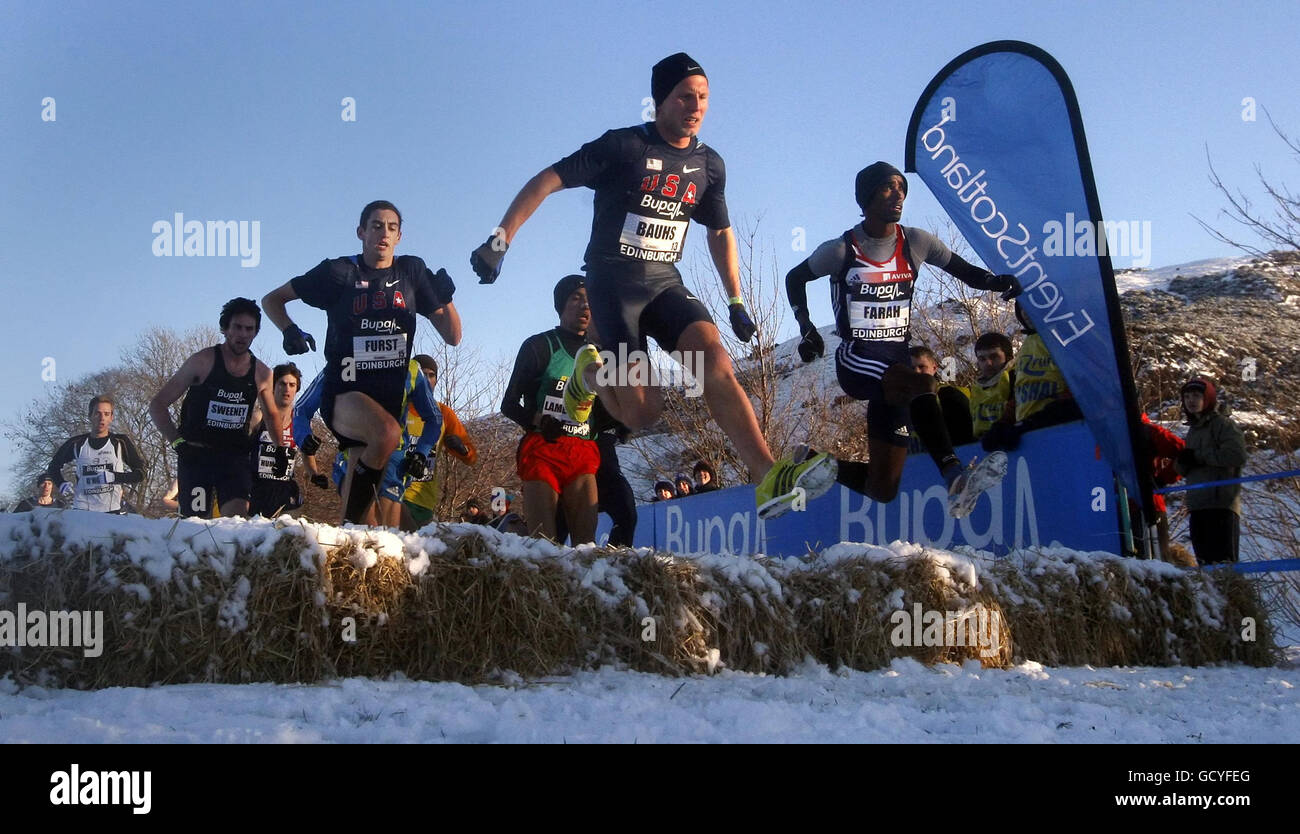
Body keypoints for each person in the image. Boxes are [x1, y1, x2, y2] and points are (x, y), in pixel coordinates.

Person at [470, 53, 831, 514]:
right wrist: (500, 240)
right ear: (660, 101)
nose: (695, 106)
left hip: (665, 284)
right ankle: (587, 374)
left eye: (703, 97)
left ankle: (768, 475)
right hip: (613, 286)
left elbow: (719, 230)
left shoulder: (709, 166)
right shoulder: (623, 147)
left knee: (715, 364)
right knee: (644, 411)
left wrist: (735, 297)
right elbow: (546, 180)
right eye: (684, 96)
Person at [783, 161, 1022, 518]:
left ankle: (807, 462)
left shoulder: (916, 242)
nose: (898, 195)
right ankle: (955, 476)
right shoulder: (841, 250)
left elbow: (965, 272)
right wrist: (806, 327)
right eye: (887, 188)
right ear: (866, 198)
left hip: (896, 369)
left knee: (883, 487)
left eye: (902, 188)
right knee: (924, 383)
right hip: (857, 359)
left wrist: (997, 281)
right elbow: (794, 278)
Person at [262, 200, 461, 525]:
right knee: (387, 432)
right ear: (361, 232)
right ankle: (349, 532)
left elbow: (453, 336)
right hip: (345, 394)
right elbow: (272, 300)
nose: (384, 233)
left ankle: (351, 546)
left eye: (391, 227)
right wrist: (289, 329)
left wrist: (447, 299)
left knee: (375, 527)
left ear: (399, 236)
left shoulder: (411, 271)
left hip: (388, 400)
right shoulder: (338, 272)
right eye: (376, 225)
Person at [150, 299, 283, 518]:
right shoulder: (202, 362)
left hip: (234, 458)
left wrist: (279, 450)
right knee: (196, 525)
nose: (242, 335)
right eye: (237, 327)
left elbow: (271, 413)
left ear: (256, 333)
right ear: (225, 329)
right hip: (196, 455)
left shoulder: (261, 373)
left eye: (249, 329)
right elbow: (157, 404)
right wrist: (177, 442)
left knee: (236, 523)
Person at [501, 275, 602, 544]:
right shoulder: (538, 346)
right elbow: (508, 404)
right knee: (543, 545)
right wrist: (539, 420)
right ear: (561, 305)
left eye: (590, 301)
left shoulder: (602, 352)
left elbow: (608, 405)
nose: (585, 307)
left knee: (587, 548)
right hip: (542, 451)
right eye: (576, 299)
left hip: (582, 451)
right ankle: (513, 531)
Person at [981, 303, 1083, 452]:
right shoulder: (1028, 344)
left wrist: (1037, 421)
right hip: (1031, 433)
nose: (1026, 312)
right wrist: (1003, 423)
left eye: (1032, 304)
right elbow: (1022, 390)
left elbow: (1081, 390)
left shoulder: (1067, 338)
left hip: (1065, 431)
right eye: (1022, 306)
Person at [401, 355, 478, 531]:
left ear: (436, 380)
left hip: (425, 503)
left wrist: (461, 449)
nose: (427, 380)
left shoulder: (443, 413)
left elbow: (472, 458)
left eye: (431, 375)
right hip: (398, 495)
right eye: (422, 374)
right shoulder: (398, 406)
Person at [1175, 377, 1247, 565]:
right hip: (1197, 505)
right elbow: (1187, 468)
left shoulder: (1223, 424)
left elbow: (1236, 455)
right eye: (1187, 396)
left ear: (1207, 398)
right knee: (1205, 568)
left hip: (1221, 504)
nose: (1191, 400)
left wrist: (1198, 456)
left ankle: (1231, 596)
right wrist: (1182, 463)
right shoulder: (1193, 431)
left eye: (1196, 396)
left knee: (1225, 567)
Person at [47, 395, 146, 513]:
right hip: (82, 511)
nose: (101, 418)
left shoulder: (120, 442)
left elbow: (141, 473)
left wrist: (115, 477)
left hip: (111, 511)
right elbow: (53, 467)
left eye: (106, 414)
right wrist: (61, 484)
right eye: (97, 413)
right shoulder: (76, 443)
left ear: (111, 417)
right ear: (90, 416)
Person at [247, 363, 304, 518]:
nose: (287, 389)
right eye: (282, 384)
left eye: (292, 385)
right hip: (257, 488)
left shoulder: (299, 420)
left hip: (285, 489)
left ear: (296, 389)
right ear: (273, 387)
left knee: (286, 534)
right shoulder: (259, 416)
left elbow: (305, 454)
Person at [909, 346, 974, 447]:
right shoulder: (896, 401)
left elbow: (967, 440)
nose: (916, 372)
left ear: (934, 368)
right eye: (911, 368)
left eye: (922, 367)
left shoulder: (950, 396)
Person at [968, 332, 1016, 440]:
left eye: (994, 357)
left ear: (1008, 357)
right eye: (982, 359)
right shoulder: (976, 389)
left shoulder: (1016, 378)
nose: (988, 363)